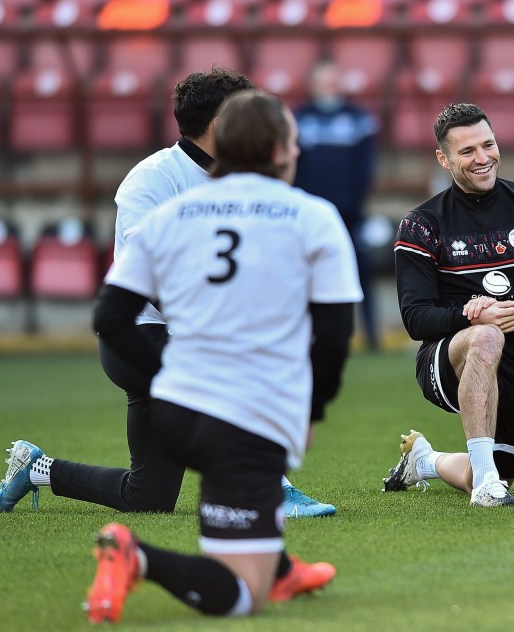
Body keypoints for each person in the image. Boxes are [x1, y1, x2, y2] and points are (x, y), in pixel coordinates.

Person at [0, 69, 338, 519]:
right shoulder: (152, 180)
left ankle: (36, 467)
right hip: (139, 335)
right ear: (220, 123)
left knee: (149, 498)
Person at [84, 89, 362, 622]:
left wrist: (169, 383)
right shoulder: (311, 216)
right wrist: (311, 411)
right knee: (240, 596)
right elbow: (331, 335)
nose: (299, 151)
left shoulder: (175, 214)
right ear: (278, 149)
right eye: (295, 141)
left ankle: (278, 564)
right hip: (248, 409)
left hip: (182, 411)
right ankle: (135, 556)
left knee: (228, 495)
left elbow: (110, 318)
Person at [381, 103, 514, 507]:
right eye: (467, 151)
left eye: (487, 145)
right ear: (444, 158)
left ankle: (428, 460)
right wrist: (470, 315)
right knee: (485, 337)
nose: (482, 158)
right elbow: (416, 318)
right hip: (447, 359)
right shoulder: (421, 223)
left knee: (498, 470)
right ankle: (487, 487)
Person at [293, 59, 381, 352]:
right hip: (309, 216)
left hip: (350, 213)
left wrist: (354, 203)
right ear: (312, 85)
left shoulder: (359, 119)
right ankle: (309, 336)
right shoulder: (299, 119)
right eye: (323, 81)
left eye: (333, 81)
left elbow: (365, 168)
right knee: (307, 276)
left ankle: (372, 336)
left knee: (360, 272)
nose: (329, 88)